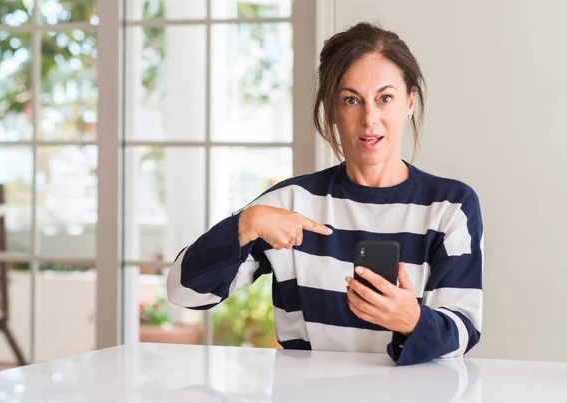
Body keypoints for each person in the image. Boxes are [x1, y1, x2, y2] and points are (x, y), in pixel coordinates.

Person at [166, 21, 484, 366]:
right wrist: (246, 224)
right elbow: (183, 293)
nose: (369, 118)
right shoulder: (289, 203)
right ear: (332, 109)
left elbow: (464, 330)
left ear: (409, 102)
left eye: (385, 98)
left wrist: (413, 320)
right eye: (351, 100)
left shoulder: (451, 207)